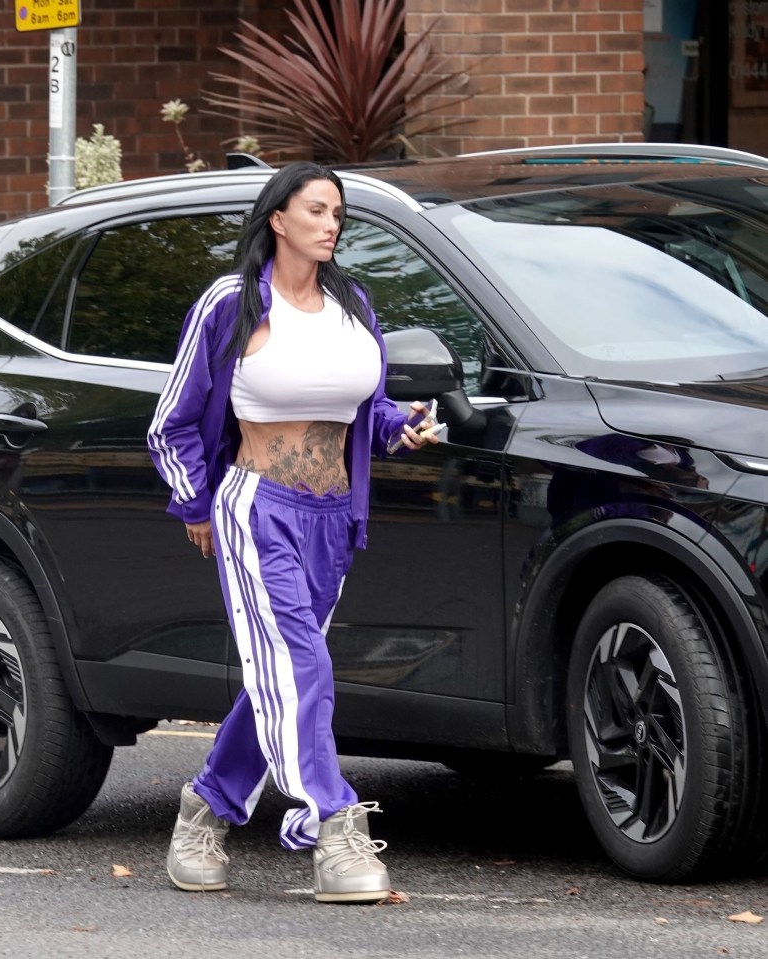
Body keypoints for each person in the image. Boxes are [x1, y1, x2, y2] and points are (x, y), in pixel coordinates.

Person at [148, 162, 442, 903]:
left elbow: (363, 414)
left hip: (332, 523)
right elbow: (171, 422)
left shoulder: (353, 303)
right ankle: (333, 824)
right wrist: (195, 506)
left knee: (279, 672)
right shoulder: (233, 302)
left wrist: (402, 428)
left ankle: (206, 808)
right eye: (316, 209)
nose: (331, 222)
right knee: (301, 668)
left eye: (337, 212)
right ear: (278, 218)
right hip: (257, 508)